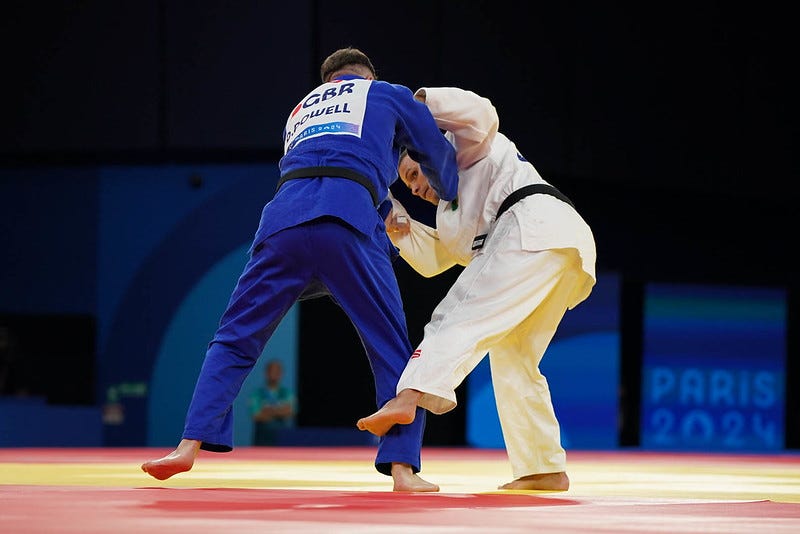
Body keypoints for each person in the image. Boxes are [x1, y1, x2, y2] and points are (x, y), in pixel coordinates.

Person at [141, 48, 459, 492]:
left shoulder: (299, 111)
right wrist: (452, 197)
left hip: (282, 225)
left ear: (328, 82)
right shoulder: (385, 93)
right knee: (390, 345)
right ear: (368, 77)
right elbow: (433, 150)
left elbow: (328, 162)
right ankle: (403, 468)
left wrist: (385, 205)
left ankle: (187, 445)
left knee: (235, 336)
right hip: (346, 222)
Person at [357, 86, 597, 491]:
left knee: (458, 312)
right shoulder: (449, 215)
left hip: (532, 223)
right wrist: (398, 224)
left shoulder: (466, 148)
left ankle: (408, 396)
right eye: (407, 185)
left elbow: (480, 110)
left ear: (428, 150)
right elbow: (435, 260)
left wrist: (415, 108)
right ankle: (544, 467)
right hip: (560, 243)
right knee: (514, 356)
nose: (414, 188)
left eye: (414, 174)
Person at [249, 359, 295, 445]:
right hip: (262, 439)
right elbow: (256, 416)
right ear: (266, 373)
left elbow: (290, 412)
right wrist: (280, 411)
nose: (274, 374)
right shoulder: (257, 394)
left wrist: (268, 410)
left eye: (277, 371)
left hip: (282, 439)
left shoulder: (287, 393)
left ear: (281, 374)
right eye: (272, 371)